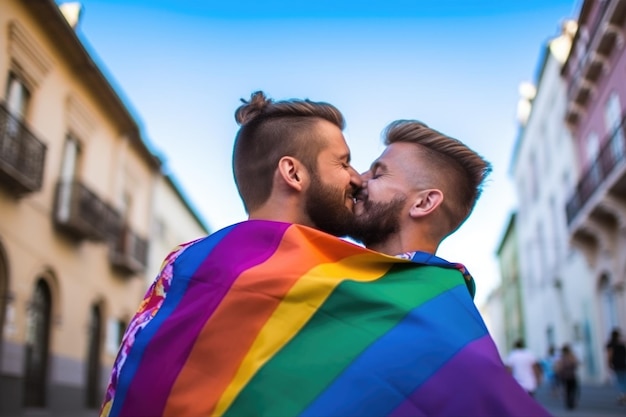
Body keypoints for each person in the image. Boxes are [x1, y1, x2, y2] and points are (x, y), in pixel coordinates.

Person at [100, 106, 551, 417]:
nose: (357, 180)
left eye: (376, 173)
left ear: (425, 202)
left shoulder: (439, 310)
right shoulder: (310, 276)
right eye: (354, 166)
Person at [554, 344, 579, 410]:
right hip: (571, 375)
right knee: (572, 389)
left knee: (567, 390)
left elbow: (558, 367)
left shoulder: (561, 357)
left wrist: (558, 372)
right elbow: (575, 363)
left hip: (564, 376)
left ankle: (569, 402)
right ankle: (571, 402)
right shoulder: (571, 356)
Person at [606, 328, 626, 405]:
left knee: (620, 380)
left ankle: (623, 395)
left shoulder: (611, 344)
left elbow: (610, 355)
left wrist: (609, 363)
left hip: (617, 364)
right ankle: (624, 395)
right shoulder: (621, 344)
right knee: (623, 379)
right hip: (623, 363)